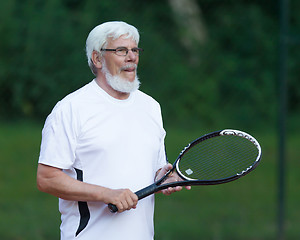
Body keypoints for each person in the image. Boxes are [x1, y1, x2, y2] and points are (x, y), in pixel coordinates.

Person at [36, 21, 189, 240]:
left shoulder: (151, 107)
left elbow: (155, 168)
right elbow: (47, 178)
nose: (131, 57)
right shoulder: (71, 109)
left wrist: (164, 177)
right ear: (97, 59)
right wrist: (105, 193)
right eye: (121, 50)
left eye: (135, 50)